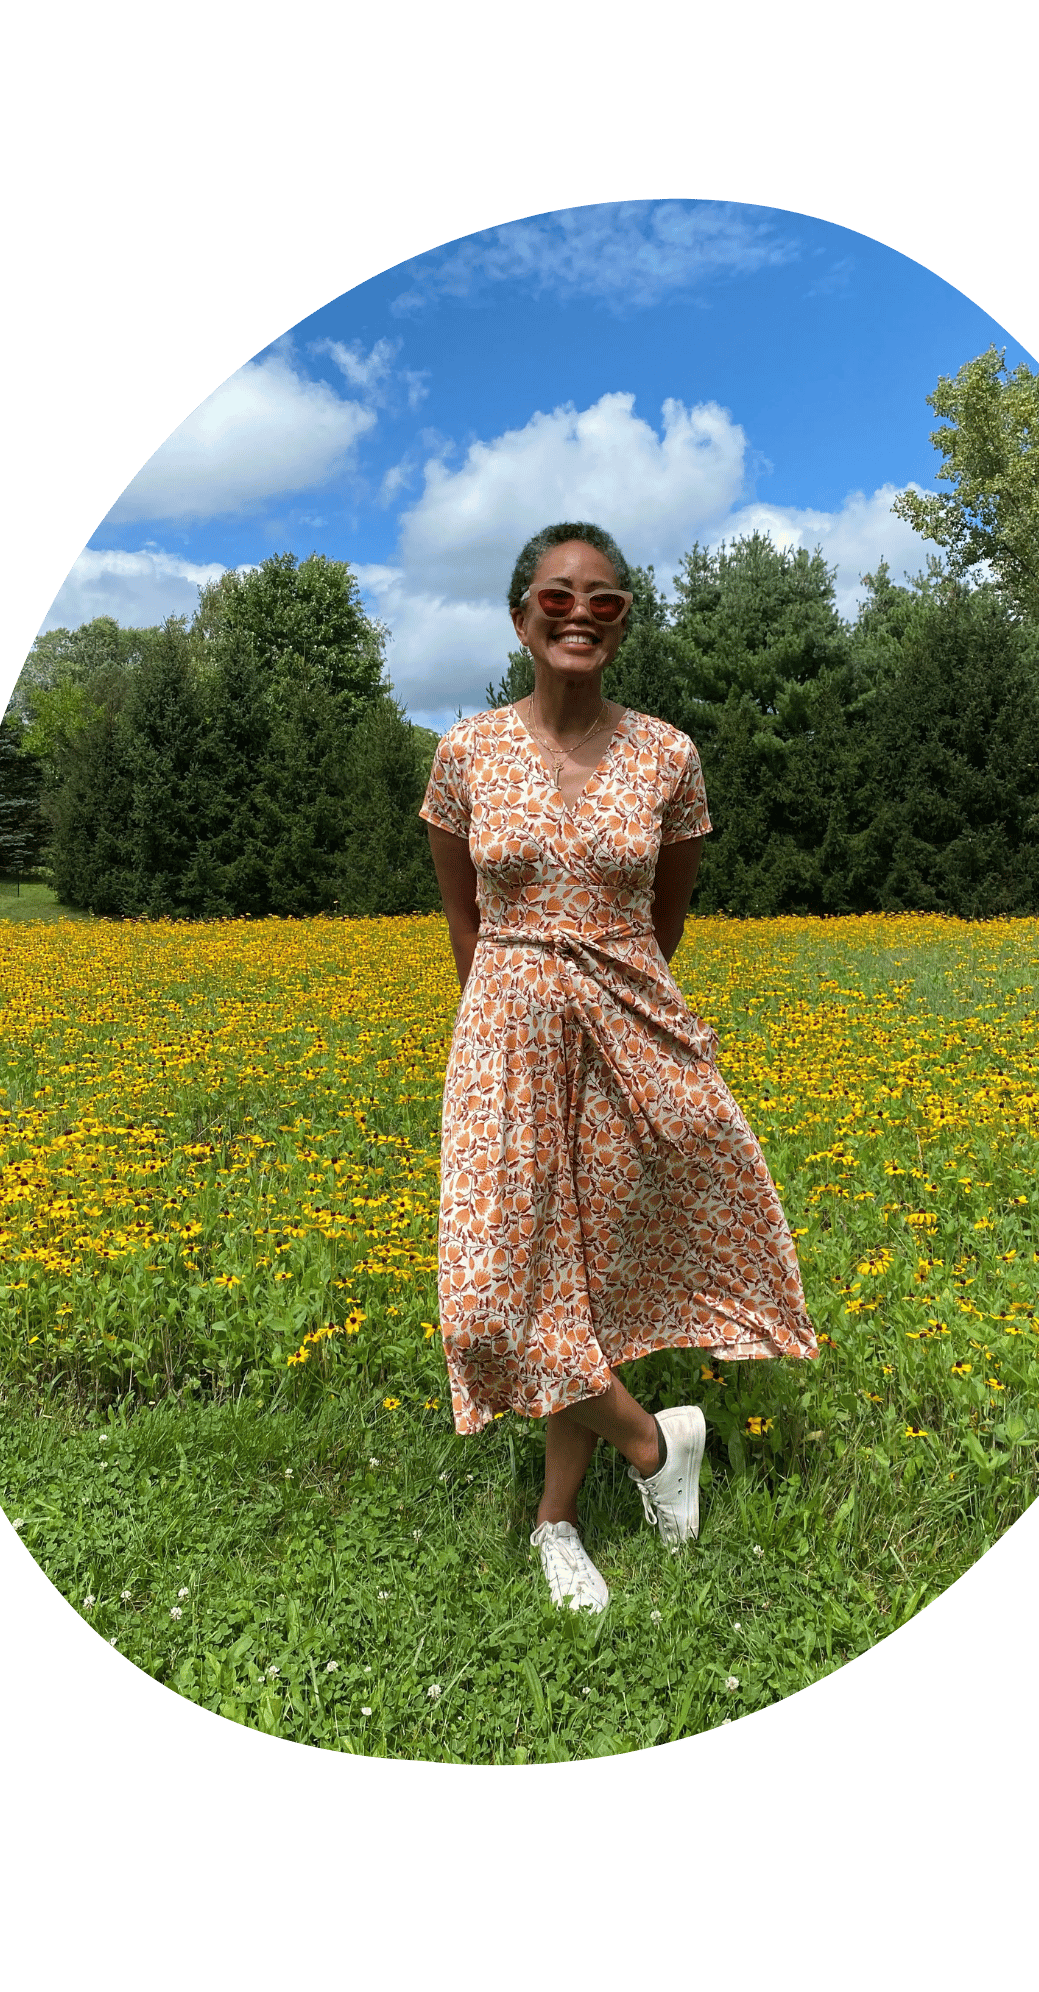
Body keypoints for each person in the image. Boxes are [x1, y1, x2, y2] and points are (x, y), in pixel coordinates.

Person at [419, 521, 817, 1613]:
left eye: (604, 596)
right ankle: (653, 1445)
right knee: (488, 1304)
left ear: (625, 618)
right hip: (503, 1030)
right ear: (519, 615)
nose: (580, 610)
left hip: (630, 1020)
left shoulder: (666, 755)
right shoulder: (464, 752)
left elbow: (662, 913)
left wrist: (604, 1000)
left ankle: (555, 1521)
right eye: (557, 594)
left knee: (576, 1284)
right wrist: (511, 1016)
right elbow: (463, 915)